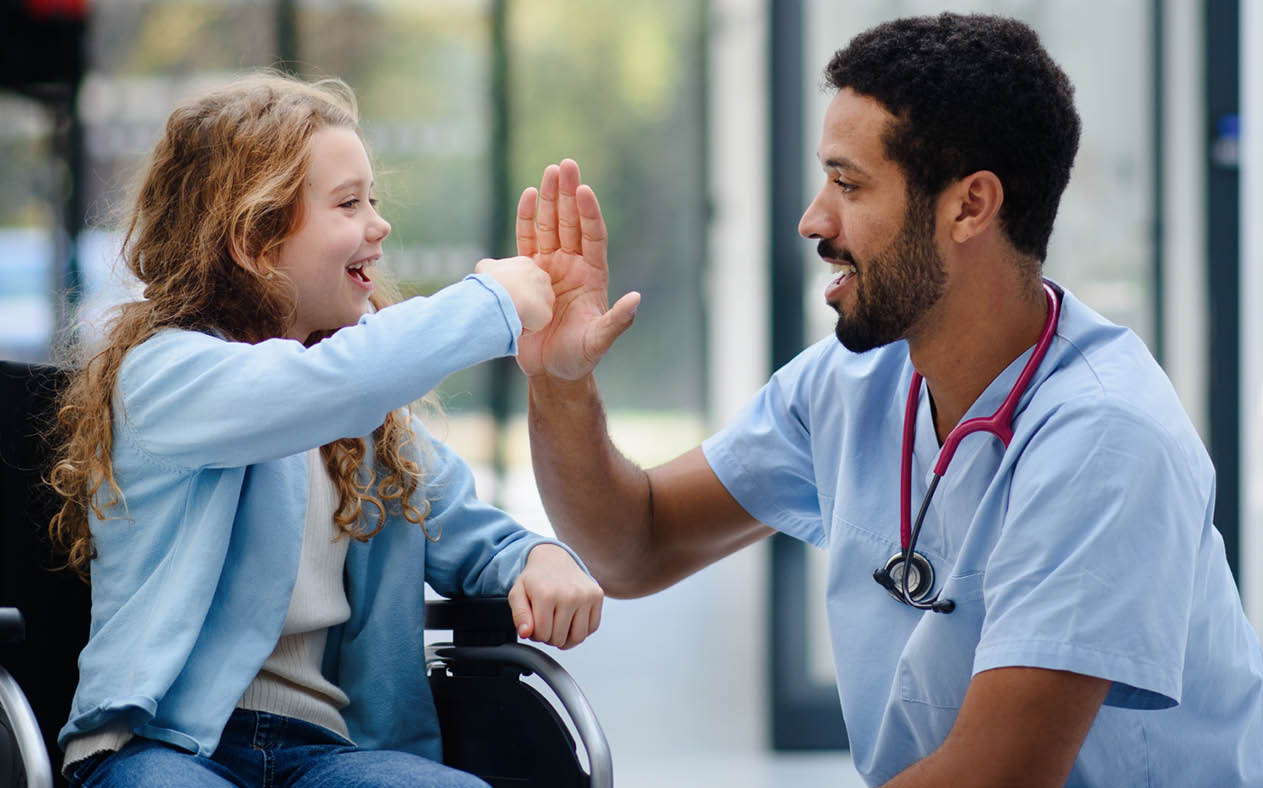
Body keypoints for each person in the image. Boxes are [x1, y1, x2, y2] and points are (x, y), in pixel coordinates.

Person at [517, 13, 1263, 788]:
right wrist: (561, 384)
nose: (813, 219)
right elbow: (633, 545)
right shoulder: (847, 386)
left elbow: (995, 776)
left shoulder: (1105, 437)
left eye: (847, 183)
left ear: (968, 206)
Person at [45, 72, 603, 788]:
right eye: (348, 204)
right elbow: (323, 387)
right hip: (162, 748)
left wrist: (541, 560)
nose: (380, 224)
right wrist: (490, 303)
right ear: (252, 239)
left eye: (373, 199)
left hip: (325, 753)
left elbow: (470, 531)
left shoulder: (368, 424)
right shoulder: (168, 375)